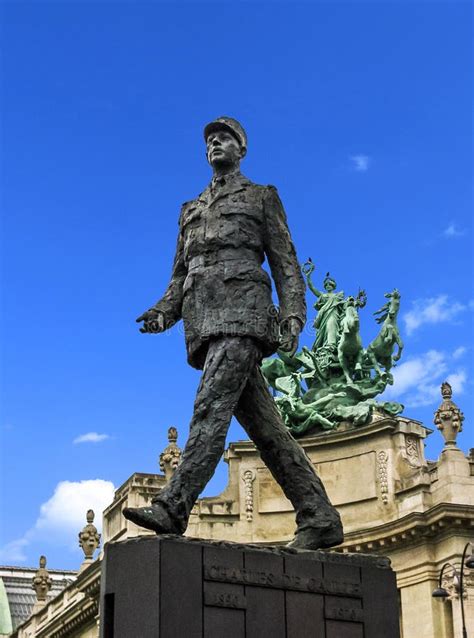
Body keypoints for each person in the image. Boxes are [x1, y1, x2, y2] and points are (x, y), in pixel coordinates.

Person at [123, 117, 343, 549]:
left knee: (209, 409)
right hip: (204, 323)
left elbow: (285, 262)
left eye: (223, 138)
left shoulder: (262, 197)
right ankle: (319, 516)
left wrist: (293, 316)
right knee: (267, 430)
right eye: (209, 141)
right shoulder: (190, 209)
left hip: (245, 315)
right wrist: (161, 313)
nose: (214, 145)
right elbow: (180, 275)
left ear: (241, 149)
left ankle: (172, 506)